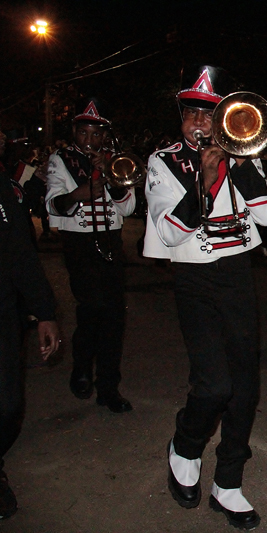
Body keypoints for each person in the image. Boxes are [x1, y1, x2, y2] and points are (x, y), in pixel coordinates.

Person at [143, 65, 267, 530]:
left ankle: (230, 484)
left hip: (238, 274)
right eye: (191, 115)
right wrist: (203, 177)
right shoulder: (163, 161)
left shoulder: (245, 155)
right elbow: (169, 230)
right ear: (180, 119)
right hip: (194, 279)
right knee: (215, 384)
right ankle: (185, 444)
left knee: (245, 388)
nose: (200, 125)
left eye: (208, 115)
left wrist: (238, 164)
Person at [45, 97, 136, 413]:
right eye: (84, 133)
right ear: (75, 132)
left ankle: (108, 387)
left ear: (104, 136)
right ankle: (82, 366)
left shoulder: (114, 160)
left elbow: (129, 206)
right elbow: (52, 204)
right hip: (79, 243)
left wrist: (109, 177)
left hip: (110, 240)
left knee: (114, 316)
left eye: (96, 135)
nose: (89, 140)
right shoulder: (60, 159)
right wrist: (77, 195)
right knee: (91, 307)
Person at [1, 170, 61, 521]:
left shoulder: (6, 190)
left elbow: (22, 254)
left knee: (7, 406)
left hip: (3, 311)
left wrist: (45, 313)